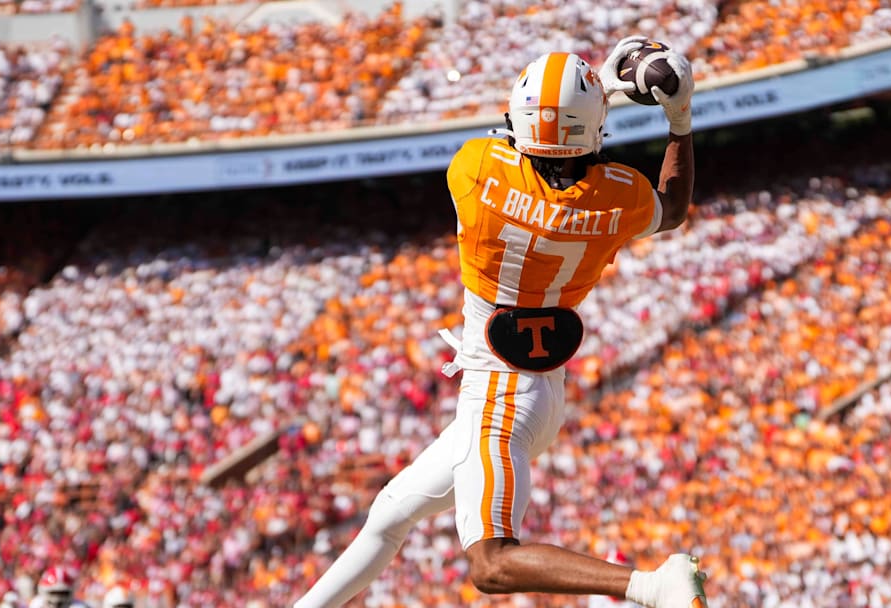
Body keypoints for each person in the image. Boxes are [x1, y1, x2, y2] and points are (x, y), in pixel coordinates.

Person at [293, 35, 707, 608]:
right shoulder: (620, 197)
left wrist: (603, 91)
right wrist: (677, 116)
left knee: (490, 563)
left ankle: (649, 585)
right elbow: (673, 205)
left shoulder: (475, 171)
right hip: (542, 388)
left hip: (498, 394)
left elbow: (530, 139)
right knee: (390, 512)